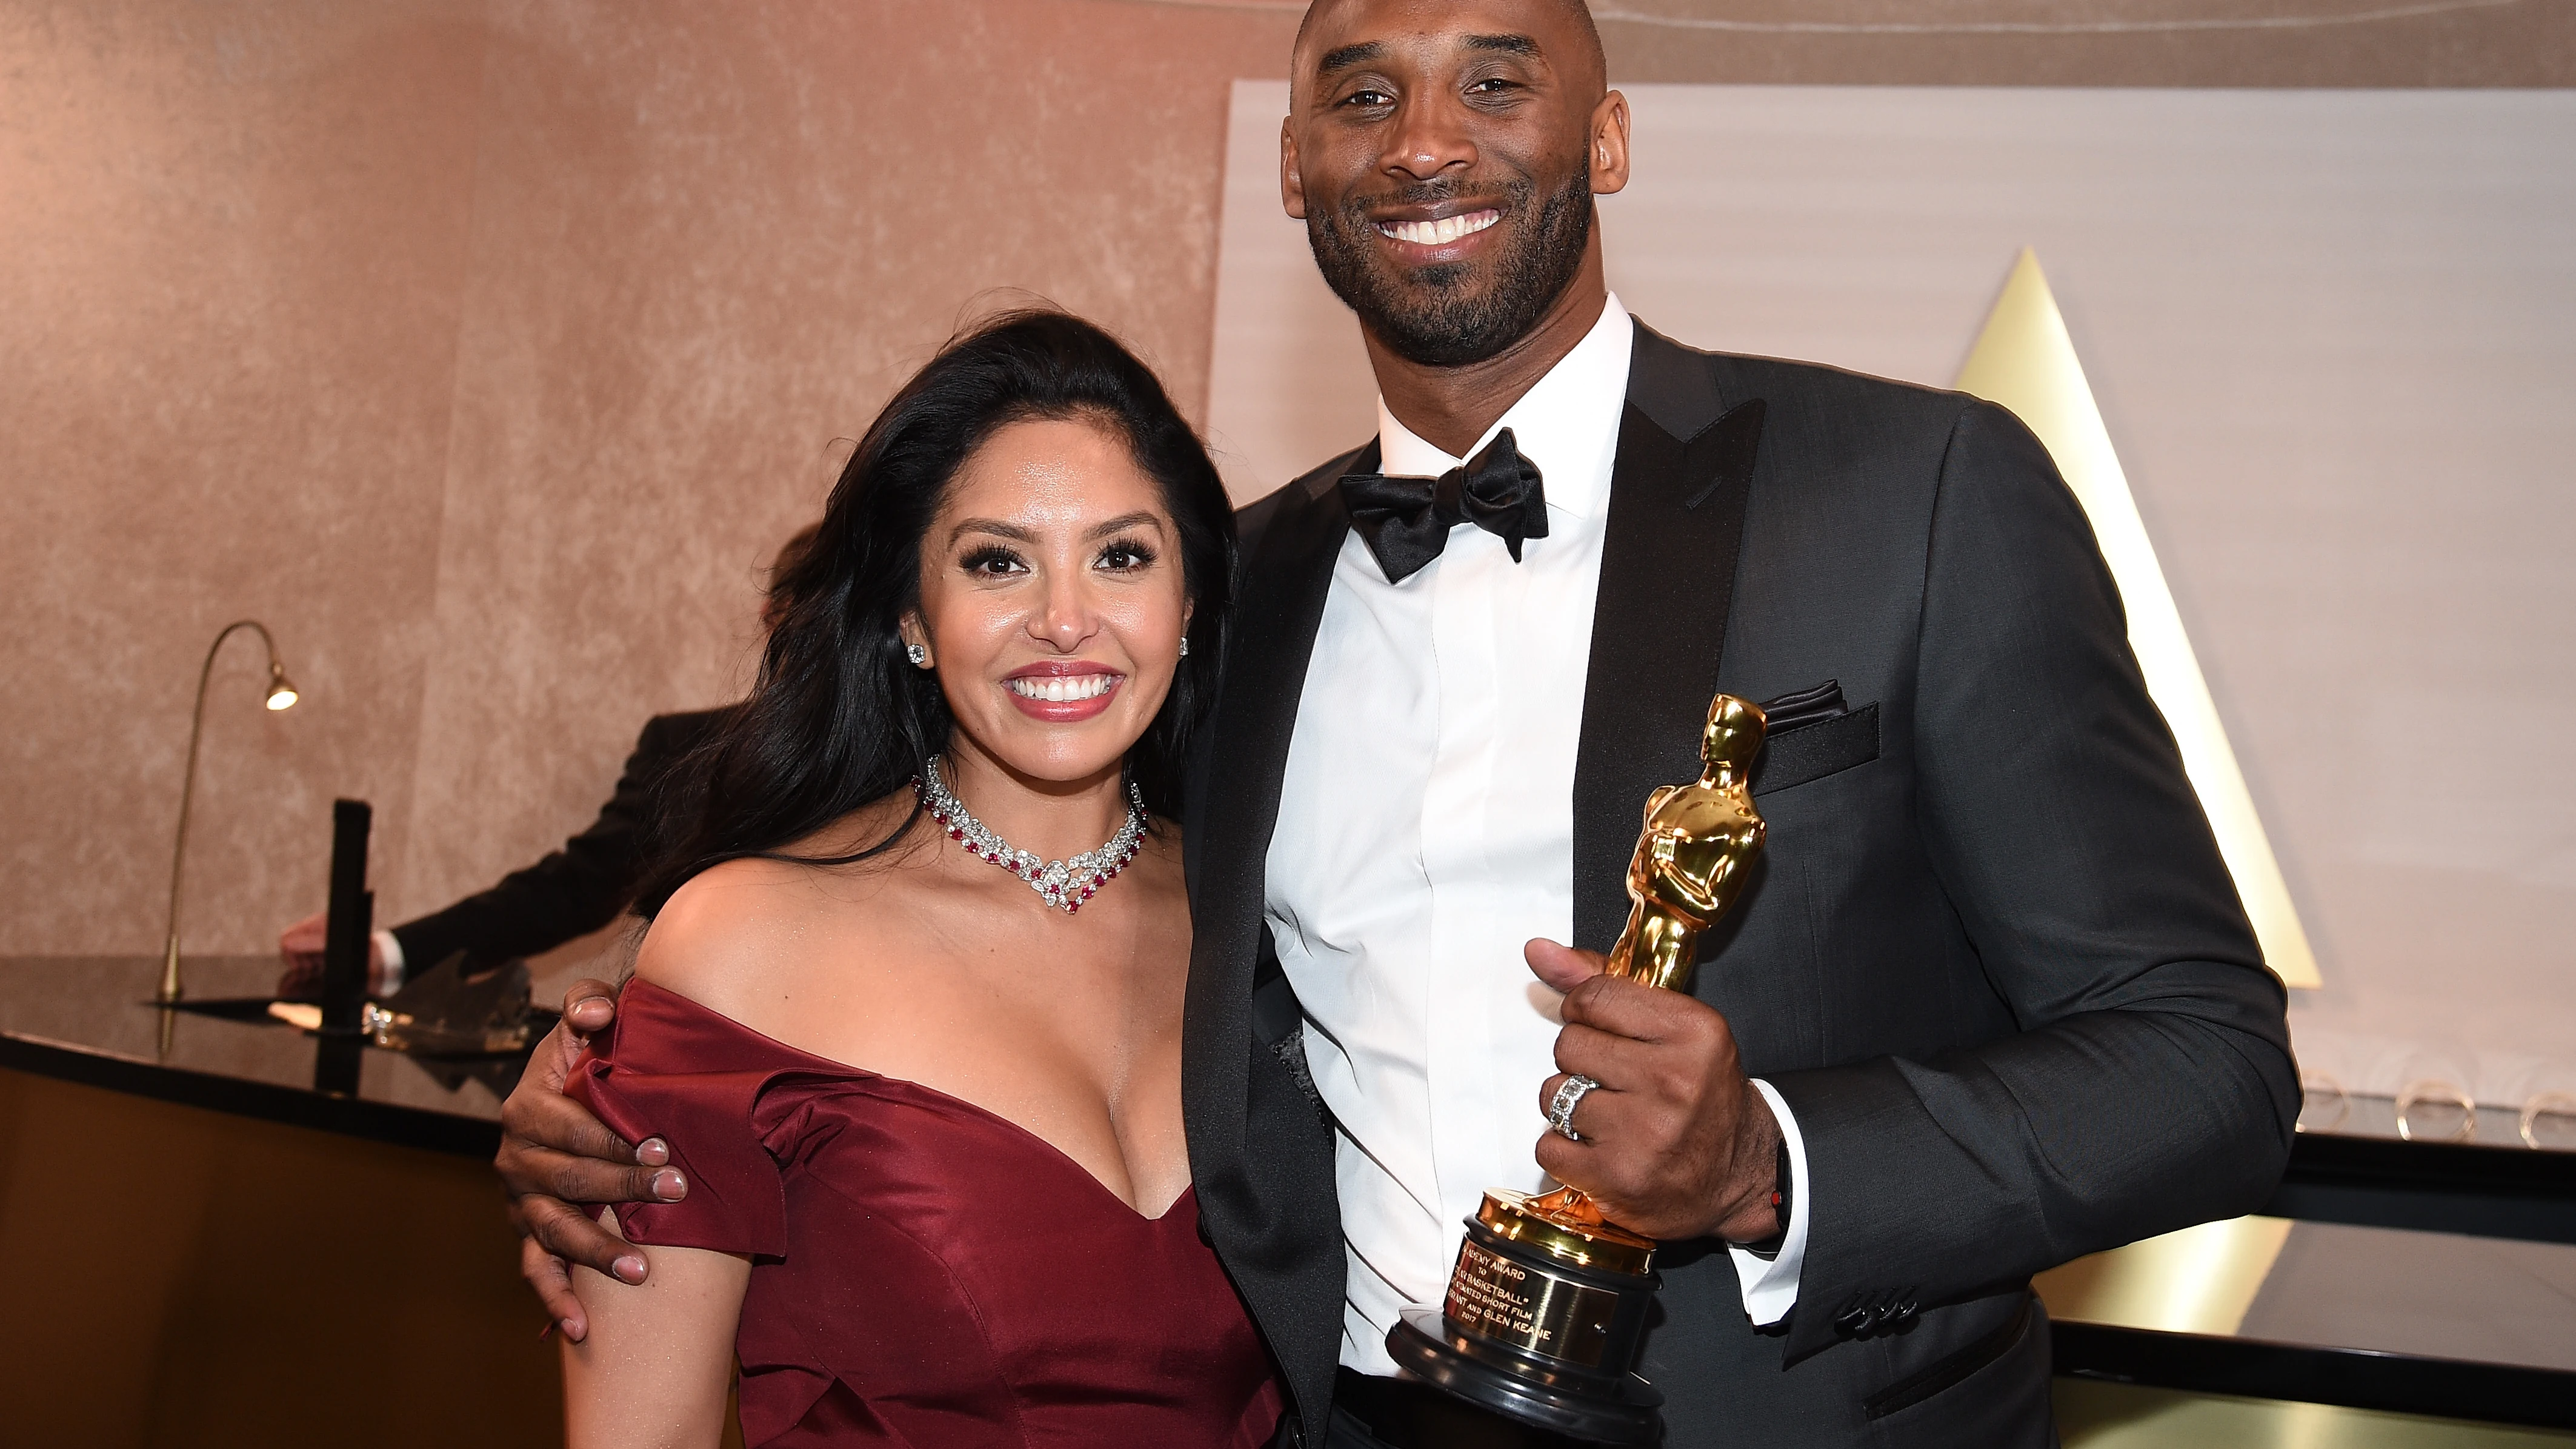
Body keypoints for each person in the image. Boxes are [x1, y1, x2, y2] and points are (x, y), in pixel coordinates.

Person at [500, 2, 2299, 1445]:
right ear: (1295, 168)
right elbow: (997, 940)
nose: (1427, 141)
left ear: (1604, 132)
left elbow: (2203, 1059)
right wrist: (613, 1101)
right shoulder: (1232, 590)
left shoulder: (1914, 494)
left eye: (1495, 78)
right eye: (1362, 92)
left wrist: (1766, 1159)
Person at [550, 310, 1275, 1448]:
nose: (1065, 622)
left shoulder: (1268, 927)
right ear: (911, 618)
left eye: (1121, 555)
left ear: (1187, 607)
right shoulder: (740, 941)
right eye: (998, 561)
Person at [275, 527, 819, 999]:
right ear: (773, 620)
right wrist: (387, 950)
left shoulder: (903, 772)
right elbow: (573, 890)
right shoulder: (684, 748)